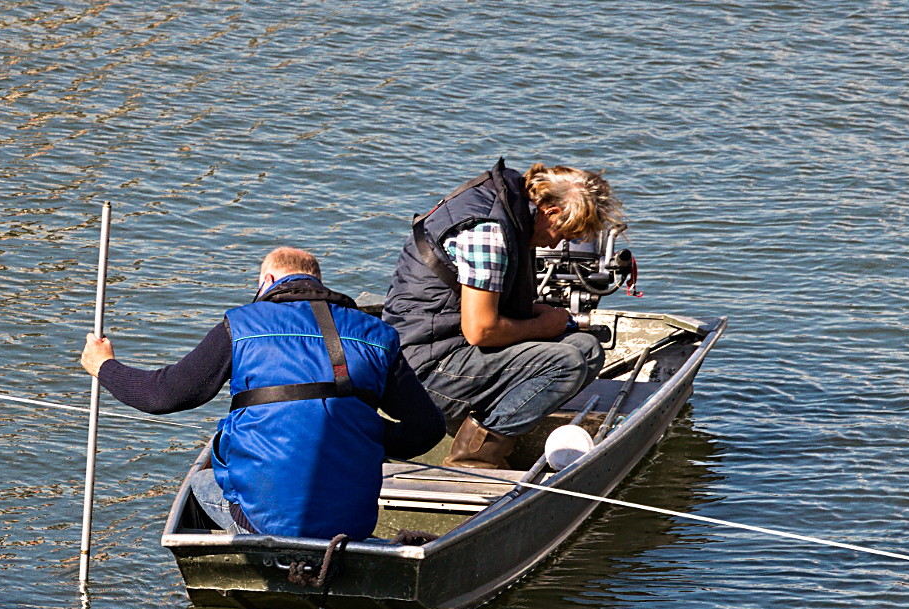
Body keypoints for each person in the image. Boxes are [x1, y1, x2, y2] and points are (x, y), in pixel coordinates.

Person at [79, 247, 444, 540]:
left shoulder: (242, 323)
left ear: (267, 280)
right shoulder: (376, 334)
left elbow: (163, 396)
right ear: (316, 280)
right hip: (351, 525)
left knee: (201, 481)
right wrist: (365, 437)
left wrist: (104, 366)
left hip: (263, 523)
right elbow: (428, 427)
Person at [383, 159, 624, 469]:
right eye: (564, 234)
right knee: (567, 363)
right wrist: (542, 325)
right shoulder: (489, 231)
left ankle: (478, 427)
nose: (559, 243)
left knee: (586, 350)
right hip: (420, 370)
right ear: (551, 212)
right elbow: (480, 330)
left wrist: (537, 315)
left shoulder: (509, 207)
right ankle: (474, 458)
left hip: (445, 344)